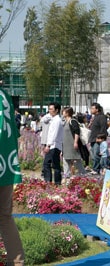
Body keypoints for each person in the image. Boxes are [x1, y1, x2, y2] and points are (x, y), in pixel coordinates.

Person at [0, 88, 25, 265]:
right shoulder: (5, 97)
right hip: (6, 168)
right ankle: (17, 262)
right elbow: (15, 134)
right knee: (5, 217)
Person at [61, 107, 86, 183]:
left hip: (72, 143)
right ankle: (66, 176)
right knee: (65, 159)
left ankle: (83, 175)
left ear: (67, 113)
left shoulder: (73, 121)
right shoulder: (65, 122)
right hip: (66, 144)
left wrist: (75, 142)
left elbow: (77, 132)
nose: (62, 113)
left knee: (77, 159)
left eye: (64, 112)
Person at [43, 102, 64, 185]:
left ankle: (49, 182)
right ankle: (56, 182)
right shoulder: (54, 119)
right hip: (54, 145)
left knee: (48, 164)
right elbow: (44, 119)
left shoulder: (57, 120)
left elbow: (53, 134)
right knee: (54, 164)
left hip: (53, 146)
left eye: (51, 109)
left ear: (57, 110)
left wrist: (48, 145)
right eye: (49, 109)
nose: (49, 111)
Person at [88, 103, 108, 175]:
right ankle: (98, 168)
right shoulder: (94, 117)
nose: (91, 110)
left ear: (97, 109)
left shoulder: (101, 117)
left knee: (97, 154)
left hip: (98, 139)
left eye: (93, 108)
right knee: (94, 155)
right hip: (93, 138)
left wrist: (101, 138)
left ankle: (96, 169)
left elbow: (103, 127)